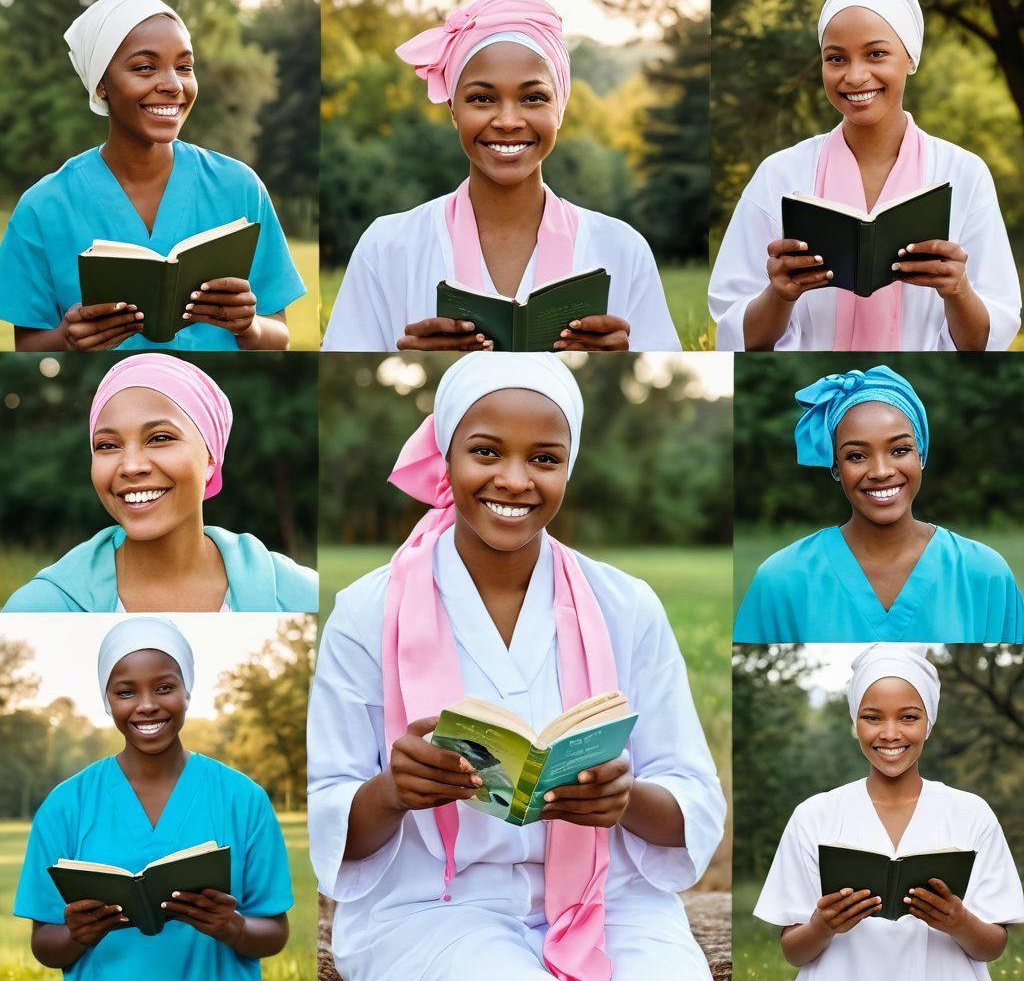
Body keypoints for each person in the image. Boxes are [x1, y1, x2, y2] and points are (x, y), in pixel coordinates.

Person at [307, 353, 725, 980]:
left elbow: (692, 799)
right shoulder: (366, 613)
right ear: (446, 456)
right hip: (432, 911)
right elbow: (331, 810)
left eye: (544, 458)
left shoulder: (626, 606)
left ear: (568, 469)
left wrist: (624, 798)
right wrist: (395, 792)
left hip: (611, 904)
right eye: (485, 451)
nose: (513, 479)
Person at [321, 0, 681, 353]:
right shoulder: (386, 247)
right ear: (452, 109)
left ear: (561, 108)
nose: (508, 121)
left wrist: (615, 363)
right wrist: (412, 364)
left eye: (533, 98)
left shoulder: (623, 249)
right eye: (482, 98)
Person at [709, 0, 1020, 351]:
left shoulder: (965, 174)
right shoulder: (778, 175)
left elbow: (984, 343)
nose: (855, 76)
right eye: (836, 58)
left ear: (910, 58)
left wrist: (957, 290)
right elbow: (739, 336)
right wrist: (780, 294)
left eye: (876, 54)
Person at [0, 0, 305, 352]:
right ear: (101, 85)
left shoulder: (240, 187)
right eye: (145, 67)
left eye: (184, 67)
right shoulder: (42, 207)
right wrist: (68, 339)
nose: (173, 85)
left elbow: (279, 334)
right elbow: (27, 345)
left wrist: (250, 327)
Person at [13, 617, 293, 979]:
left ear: (187, 690)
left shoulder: (244, 799)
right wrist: (77, 935)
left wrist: (232, 927)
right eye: (126, 692)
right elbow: (44, 945)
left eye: (164, 687)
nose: (146, 705)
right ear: (107, 700)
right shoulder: (65, 806)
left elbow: (275, 933)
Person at [753, 645, 1024, 978]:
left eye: (908, 717)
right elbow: (793, 951)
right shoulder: (814, 816)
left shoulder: (972, 814)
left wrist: (959, 921)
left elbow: (994, 946)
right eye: (872, 717)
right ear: (855, 722)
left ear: (929, 723)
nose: (891, 733)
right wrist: (822, 926)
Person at [2, 353, 317, 612]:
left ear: (210, 458)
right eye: (108, 445)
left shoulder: (299, 595)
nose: (132, 466)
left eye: (160, 438)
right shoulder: (37, 608)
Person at [734, 366, 1024, 642]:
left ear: (921, 455)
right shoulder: (781, 580)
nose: (881, 471)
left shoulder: (985, 574)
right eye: (856, 456)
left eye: (900, 450)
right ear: (835, 466)